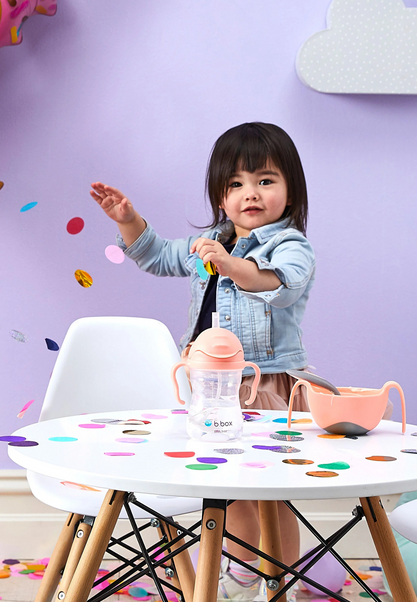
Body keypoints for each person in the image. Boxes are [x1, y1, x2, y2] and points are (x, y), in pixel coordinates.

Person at [90, 122, 315, 602]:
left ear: (290, 190)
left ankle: (283, 582)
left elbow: (281, 283)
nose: (249, 193)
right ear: (220, 196)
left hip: (264, 384)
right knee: (227, 488)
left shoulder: (290, 246)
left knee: (272, 494)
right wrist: (128, 219)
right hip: (209, 388)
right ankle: (242, 572)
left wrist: (230, 263)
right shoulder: (207, 243)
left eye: (265, 180)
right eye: (235, 184)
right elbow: (155, 255)